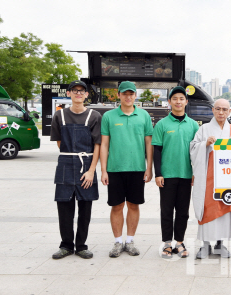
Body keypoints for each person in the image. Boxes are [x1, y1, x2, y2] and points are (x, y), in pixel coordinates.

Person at [100, 81, 153, 258]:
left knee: (133, 204)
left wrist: (149, 167)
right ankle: (117, 241)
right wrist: (103, 170)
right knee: (116, 206)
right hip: (114, 169)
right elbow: (105, 144)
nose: (128, 97)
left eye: (131, 94)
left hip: (137, 168)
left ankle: (129, 241)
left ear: (135, 95)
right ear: (119, 95)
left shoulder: (144, 116)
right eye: (124, 94)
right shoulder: (109, 116)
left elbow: (148, 143)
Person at [50, 80, 102, 259]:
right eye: (75, 91)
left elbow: (98, 145)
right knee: (64, 207)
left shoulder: (94, 116)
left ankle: (81, 246)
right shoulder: (60, 116)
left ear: (87, 94)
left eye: (82, 91)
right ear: (69, 94)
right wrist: (70, 158)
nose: (78, 94)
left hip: (87, 164)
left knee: (85, 208)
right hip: (66, 163)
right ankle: (65, 245)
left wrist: (91, 169)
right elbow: (59, 142)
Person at [190, 99, 231, 259]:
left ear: (229, 112)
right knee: (208, 208)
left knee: (226, 209)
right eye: (218, 109)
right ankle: (205, 245)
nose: (221, 112)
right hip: (209, 177)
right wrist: (205, 144)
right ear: (213, 110)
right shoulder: (204, 129)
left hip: (228, 178)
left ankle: (221, 244)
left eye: (224, 109)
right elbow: (193, 148)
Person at [153, 86, 199, 259]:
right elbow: (156, 150)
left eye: (181, 99)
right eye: (175, 99)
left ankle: (179, 242)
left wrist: (195, 171)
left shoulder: (193, 125)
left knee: (183, 211)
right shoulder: (162, 124)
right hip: (167, 175)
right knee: (166, 210)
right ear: (169, 102)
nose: (178, 102)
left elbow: (197, 151)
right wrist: (158, 173)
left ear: (186, 102)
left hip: (186, 175)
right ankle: (166, 243)